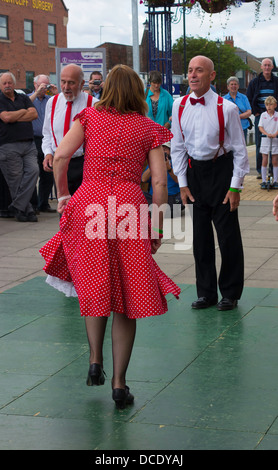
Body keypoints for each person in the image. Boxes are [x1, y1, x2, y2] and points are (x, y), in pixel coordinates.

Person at [39, 65, 181, 409]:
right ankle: (119, 384)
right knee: (128, 293)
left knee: (94, 283)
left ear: (106, 89)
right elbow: (160, 183)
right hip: (128, 208)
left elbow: (60, 156)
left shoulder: (88, 117)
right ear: (137, 91)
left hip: (89, 203)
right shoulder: (149, 128)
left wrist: (62, 196)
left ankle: (94, 359)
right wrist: (159, 226)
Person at [171, 55, 249, 311]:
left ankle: (230, 293)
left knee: (228, 238)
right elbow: (177, 148)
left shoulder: (227, 108)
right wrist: (182, 184)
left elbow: (239, 150)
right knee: (201, 238)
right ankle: (206, 293)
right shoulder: (179, 105)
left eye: (199, 71)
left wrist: (235, 186)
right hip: (195, 175)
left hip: (221, 173)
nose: (192, 75)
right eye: (190, 70)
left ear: (212, 76)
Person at [42, 64, 98, 196]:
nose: (66, 87)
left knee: (83, 210)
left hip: (84, 165)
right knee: (63, 209)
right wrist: (48, 153)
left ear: (82, 83)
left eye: (71, 83)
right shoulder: (52, 102)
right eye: (63, 82)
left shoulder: (94, 104)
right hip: (59, 164)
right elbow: (47, 133)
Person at [0, 72, 39, 222]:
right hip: (8, 145)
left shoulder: (22, 97)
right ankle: (25, 211)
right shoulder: (0, 99)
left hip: (28, 144)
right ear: (1, 85)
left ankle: (18, 206)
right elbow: (6, 118)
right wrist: (23, 111)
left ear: (14, 84)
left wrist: (15, 115)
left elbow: (34, 114)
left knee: (34, 171)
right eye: (4, 83)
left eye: (9, 82)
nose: (7, 85)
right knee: (15, 179)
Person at [29, 74, 58, 213]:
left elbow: (63, 106)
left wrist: (55, 93)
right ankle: (33, 204)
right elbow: (25, 105)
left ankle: (43, 203)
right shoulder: (29, 98)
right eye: (41, 85)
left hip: (48, 139)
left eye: (46, 85)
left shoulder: (51, 100)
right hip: (33, 139)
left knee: (47, 174)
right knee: (33, 172)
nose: (43, 88)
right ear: (35, 84)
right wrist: (36, 93)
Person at [247, 58, 278, 178]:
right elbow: (249, 98)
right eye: (264, 65)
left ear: (272, 67)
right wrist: (255, 113)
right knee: (260, 144)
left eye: (269, 65)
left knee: (275, 143)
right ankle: (262, 171)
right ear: (261, 67)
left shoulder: (276, 81)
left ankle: (273, 170)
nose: (266, 67)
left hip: (274, 116)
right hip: (260, 115)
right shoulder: (254, 82)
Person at [141, 141, 184, 217]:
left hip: (172, 197)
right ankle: (160, 211)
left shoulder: (176, 163)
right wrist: (153, 166)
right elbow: (143, 179)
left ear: (170, 151)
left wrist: (169, 168)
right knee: (140, 194)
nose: (163, 152)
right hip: (154, 198)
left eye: (165, 149)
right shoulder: (152, 164)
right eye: (160, 150)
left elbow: (180, 181)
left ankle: (159, 212)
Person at [258, 96, 278, 189]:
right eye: (267, 105)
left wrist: (275, 134)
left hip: (275, 140)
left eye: (270, 104)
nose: (268, 106)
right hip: (265, 140)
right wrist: (266, 133)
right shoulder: (263, 115)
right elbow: (260, 127)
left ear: (275, 105)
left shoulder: (277, 115)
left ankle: (275, 181)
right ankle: (264, 181)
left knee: (274, 160)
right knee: (264, 160)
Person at [224, 76, 252, 142]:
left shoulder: (244, 97)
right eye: (231, 84)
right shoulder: (223, 99)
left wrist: (237, 116)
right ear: (228, 86)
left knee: (242, 147)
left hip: (243, 127)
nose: (234, 86)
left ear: (238, 86)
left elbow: (249, 112)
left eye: (235, 84)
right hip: (229, 128)